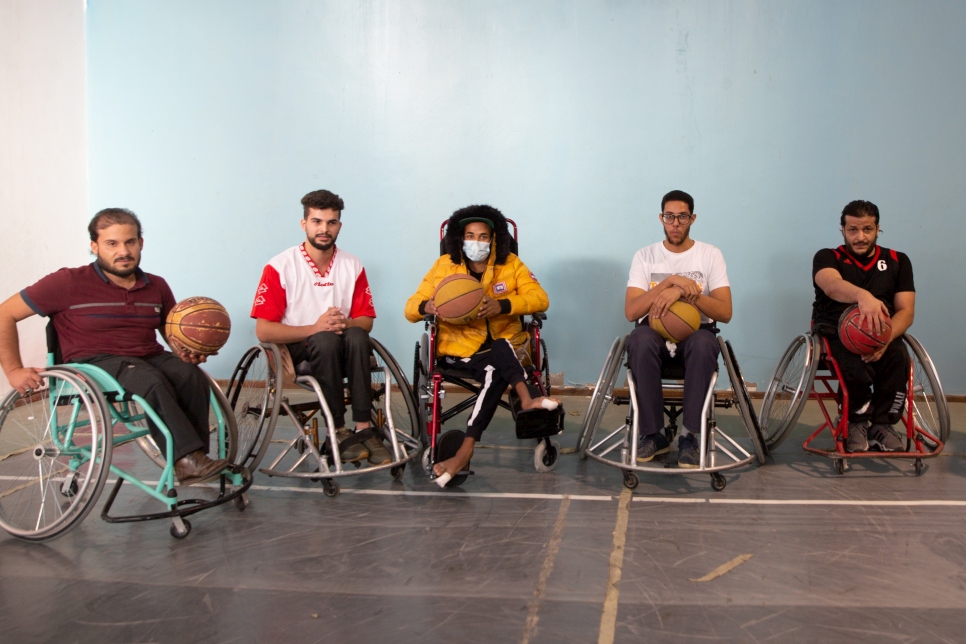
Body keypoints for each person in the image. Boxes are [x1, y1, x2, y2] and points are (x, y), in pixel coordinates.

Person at [0, 208, 229, 485]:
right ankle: (187, 458)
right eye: (112, 244)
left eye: (130, 242)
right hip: (92, 362)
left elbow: (171, 333)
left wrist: (187, 349)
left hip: (147, 355)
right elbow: (5, 313)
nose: (123, 251)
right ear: (94, 246)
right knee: (150, 380)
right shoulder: (66, 282)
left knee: (189, 375)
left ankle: (192, 460)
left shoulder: (156, 285)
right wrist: (13, 370)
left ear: (140, 243)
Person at [405, 205, 559, 487]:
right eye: (470, 235)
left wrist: (501, 305)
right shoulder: (443, 268)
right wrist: (426, 305)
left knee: (500, 353)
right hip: (460, 351)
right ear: (459, 239)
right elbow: (410, 310)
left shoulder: (511, 264)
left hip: (505, 349)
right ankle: (524, 397)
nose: (476, 242)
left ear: (495, 239)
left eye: (484, 236)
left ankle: (464, 451)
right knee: (500, 365)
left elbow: (540, 299)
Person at [250, 189, 390, 465]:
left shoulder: (353, 265)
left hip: (344, 344)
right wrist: (315, 327)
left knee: (358, 335)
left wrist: (346, 323)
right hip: (299, 349)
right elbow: (264, 331)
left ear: (339, 225)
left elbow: (366, 320)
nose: (324, 229)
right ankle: (335, 431)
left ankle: (363, 428)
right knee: (325, 339)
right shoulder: (280, 266)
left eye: (331, 222)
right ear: (304, 224)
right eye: (316, 221)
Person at [624, 190, 732, 468]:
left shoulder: (710, 254)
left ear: (692, 219)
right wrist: (669, 283)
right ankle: (653, 434)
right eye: (669, 216)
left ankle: (690, 436)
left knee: (705, 343)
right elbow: (632, 312)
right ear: (661, 218)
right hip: (655, 335)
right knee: (639, 338)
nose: (675, 223)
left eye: (682, 216)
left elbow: (725, 312)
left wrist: (688, 294)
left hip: (695, 336)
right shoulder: (645, 256)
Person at [812, 200, 915, 452]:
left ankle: (882, 424)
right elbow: (830, 284)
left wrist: (885, 339)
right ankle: (856, 420)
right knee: (851, 358)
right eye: (853, 230)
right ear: (843, 230)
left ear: (878, 229)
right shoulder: (828, 256)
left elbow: (906, 310)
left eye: (867, 229)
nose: (860, 236)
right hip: (837, 331)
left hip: (883, 332)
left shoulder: (897, 261)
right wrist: (863, 296)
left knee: (899, 356)